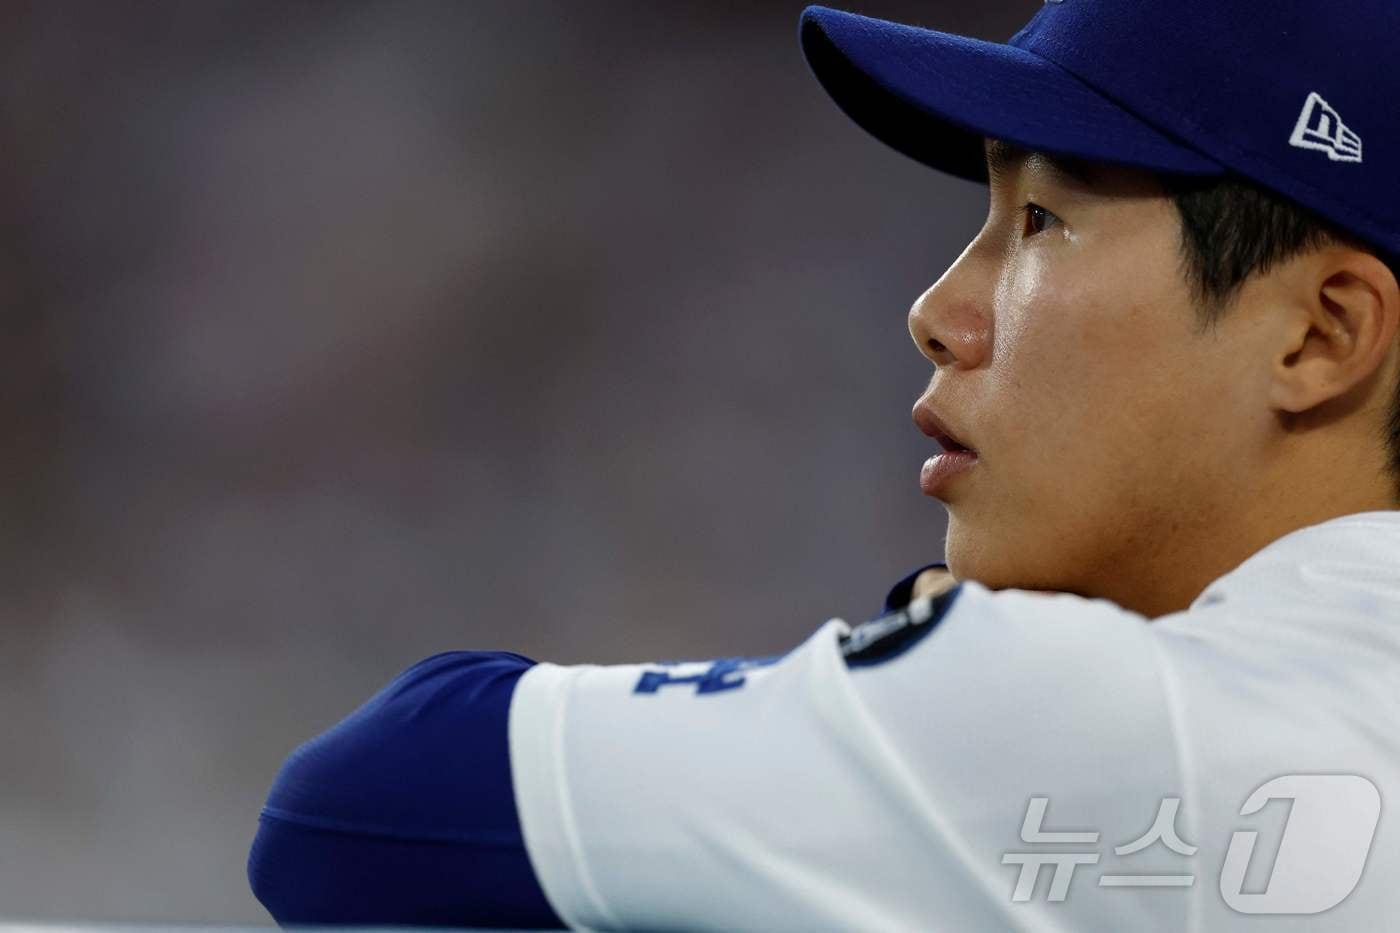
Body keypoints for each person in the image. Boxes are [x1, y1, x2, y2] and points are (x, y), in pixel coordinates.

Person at [248, 2, 1400, 929]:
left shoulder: (1116, 726)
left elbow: (358, 807)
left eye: (1041, 222)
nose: (936, 311)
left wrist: (943, 650)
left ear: (1320, 333)